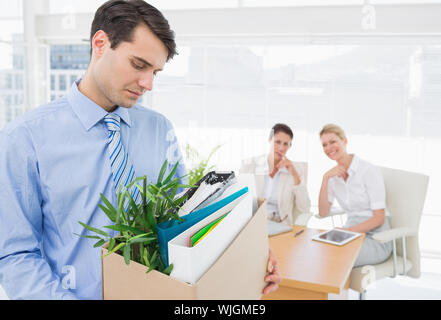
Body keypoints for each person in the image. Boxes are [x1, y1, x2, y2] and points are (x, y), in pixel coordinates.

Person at [0, 0, 280, 299]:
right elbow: (15, 255)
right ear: (100, 44)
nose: (148, 84)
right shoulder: (24, 139)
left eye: (155, 72)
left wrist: (247, 258)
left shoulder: (159, 130)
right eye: (139, 65)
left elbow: (184, 221)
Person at [318, 123, 392, 267]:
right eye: (324, 145)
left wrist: (346, 232)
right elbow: (323, 212)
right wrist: (325, 178)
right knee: (318, 250)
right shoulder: (332, 176)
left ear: (344, 141)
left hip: (376, 238)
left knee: (334, 258)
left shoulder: (368, 170)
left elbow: (379, 219)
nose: (329, 148)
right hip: (351, 234)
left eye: (333, 141)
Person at [240, 123, 311, 226]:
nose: (281, 148)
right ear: (269, 140)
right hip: (253, 223)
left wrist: (294, 174)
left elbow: (304, 207)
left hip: (281, 224)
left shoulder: (295, 171)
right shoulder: (251, 166)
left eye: (286, 144)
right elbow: (241, 201)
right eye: (277, 142)